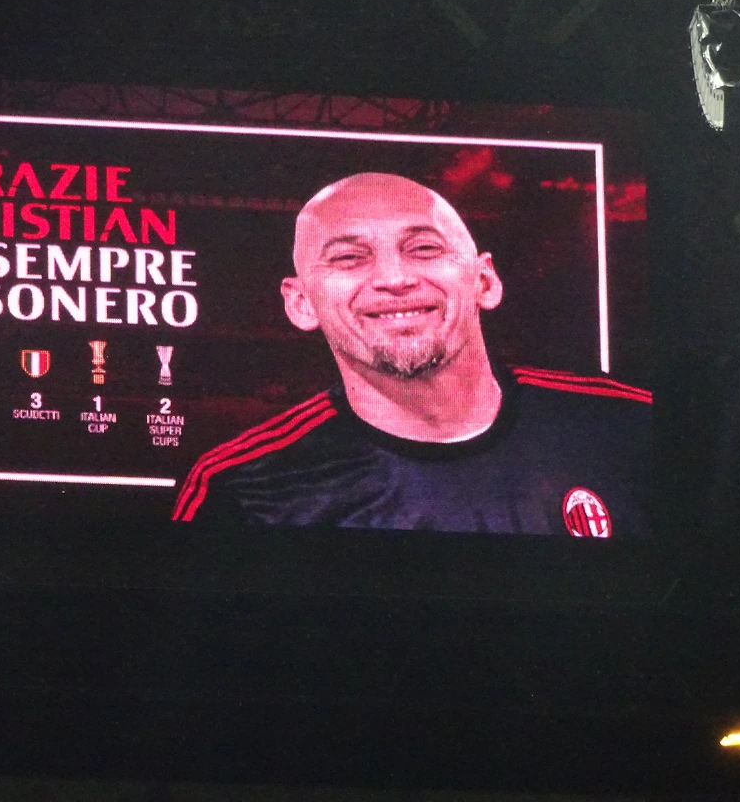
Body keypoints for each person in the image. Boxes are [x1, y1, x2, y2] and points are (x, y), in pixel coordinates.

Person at [171, 173, 651, 536]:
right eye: (348, 257)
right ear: (300, 303)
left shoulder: (634, 426)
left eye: (423, 248)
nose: (394, 279)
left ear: (485, 280)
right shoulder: (245, 487)